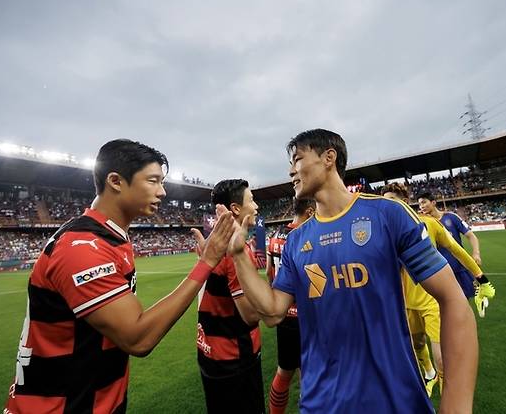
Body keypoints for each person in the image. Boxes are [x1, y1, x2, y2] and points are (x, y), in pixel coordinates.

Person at [230, 129, 477, 413]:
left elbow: (452, 298)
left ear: (328, 158)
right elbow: (273, 312)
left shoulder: (388, 214)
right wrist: (238, 255)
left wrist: (457, 404)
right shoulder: (296, 240)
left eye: (296, 159)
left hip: (394, 400)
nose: (290, 171)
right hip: (321, 403)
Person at [5, 139, 234, 413]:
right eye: (153, 181)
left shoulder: (110, 237)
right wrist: (208, 261)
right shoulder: (82, 249)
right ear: (115, 181)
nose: (162, 192)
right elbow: (138, 337)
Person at [381, 182, 494, 397]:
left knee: (442, 359)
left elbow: (456, 249)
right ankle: (429, 373)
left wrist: (481, 277)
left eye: (392, 201)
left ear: (405, 203)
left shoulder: (429, 224)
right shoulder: (381, 233)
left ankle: (445, 399)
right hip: (403, 304)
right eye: (384, 201)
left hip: (432, 301)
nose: (387, 206)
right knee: (417, 345)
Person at [195, 179, 266, 414]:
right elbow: (251, 316)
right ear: (236, 209)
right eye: (251, 200)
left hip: (209, 353)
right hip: (235, 358)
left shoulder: (213, 244)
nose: (256, 206)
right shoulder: (235, 250)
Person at [266, 198, 315, 414]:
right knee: (309, 372)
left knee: (283, 371)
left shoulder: (275, 236)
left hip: (283, 312)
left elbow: (269, 271)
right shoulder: (306, 236)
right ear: (310, 211)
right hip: (306, 314)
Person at [417, 192, 495, 315]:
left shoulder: (451, 217)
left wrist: (476, 253)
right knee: (445, 306)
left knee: (463, 304)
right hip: (441, 271)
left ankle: (477, 301)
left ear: (433, 202)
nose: (421, 206)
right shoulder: (422, 223)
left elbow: (471, 236)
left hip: (460, 268)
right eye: (419, 204)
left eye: (424, 202)